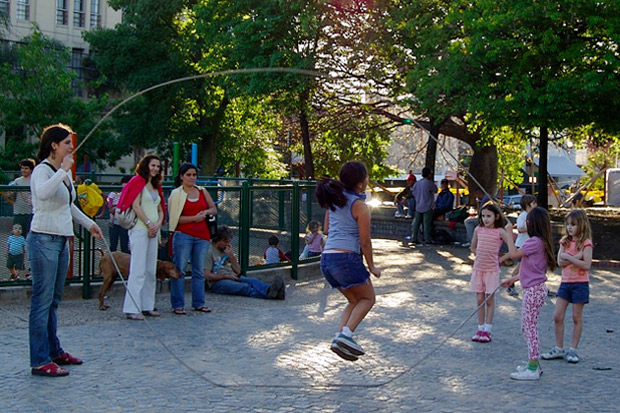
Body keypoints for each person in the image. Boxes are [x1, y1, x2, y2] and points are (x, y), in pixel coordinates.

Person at [28, 123, 103, 377]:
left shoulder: (63, 173)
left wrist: (90, 224)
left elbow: (68, 205)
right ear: (54, 146)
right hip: (43, 240)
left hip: (62, 241)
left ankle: (54, 351)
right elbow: (43, 194)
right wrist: (62, 172)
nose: (71, 147)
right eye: (67, 143)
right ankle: (39, 360)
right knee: (42, 301)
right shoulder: (42, 171)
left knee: (54, 301)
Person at [316, 161, 381, 362]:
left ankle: (339, 337)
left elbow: (326, 229)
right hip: (346, 258)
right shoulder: (360, 206)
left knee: (354, 300)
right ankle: (346, 335)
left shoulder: (334, 201)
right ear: (361, 184)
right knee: (368, 298)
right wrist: (372, 266)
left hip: (327, 259)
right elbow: (365, 241)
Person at [501, 207, 556, 380]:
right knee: (527, 327)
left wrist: (509, 233)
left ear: (534, 223)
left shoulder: (534, 242)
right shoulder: (540, 242)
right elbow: (532, 270)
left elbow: (514, 254)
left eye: (528, 221)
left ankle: (533, 368)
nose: (526, 223)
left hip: (533, 291)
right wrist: (514, 279)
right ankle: (534, 364)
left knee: (530, 329)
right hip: (535, 289)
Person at [117, 154, 166, 321]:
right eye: (153, 165)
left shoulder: (155, 185)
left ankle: (147, 304)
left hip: (153, 230)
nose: (155, 169)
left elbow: (160, 209)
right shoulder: (138, 182)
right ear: (146, 165)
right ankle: (132, 307)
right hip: (140, 228)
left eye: (158, 166)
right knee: (138, 269)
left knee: (150, 269)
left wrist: (157, 224)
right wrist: (148, 223)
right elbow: (135, 205)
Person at [541, 209, 593, 364]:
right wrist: (576, 257)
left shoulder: (586, 243)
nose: (569, 228)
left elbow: (586, 264)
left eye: (573, 225)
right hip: (565, 283)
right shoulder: (565, 242)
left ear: (581, 225)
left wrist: (570, 257)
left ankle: (573, 349)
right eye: (568, 224)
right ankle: (558, 347)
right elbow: (560, 261)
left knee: (576, 317)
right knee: (557, 316)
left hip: (580, 284)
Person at [168, 163, 217, 315]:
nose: (191, 178)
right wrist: (193, 218)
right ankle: (178, 304)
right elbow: (174, 219)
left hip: (202, 236)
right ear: (182, 176)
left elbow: (214, 209)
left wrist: (206, 212)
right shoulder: (176, 194)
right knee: (180, 269)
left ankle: (199, 302)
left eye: (194, 175)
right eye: (188, 175)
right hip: (184, 234)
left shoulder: (202, 191)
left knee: (198, 271)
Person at [470, 202, 513, 343]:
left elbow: (512, 248)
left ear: (496, 216)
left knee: (489, 300)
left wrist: (501, 259)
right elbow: (473, 247)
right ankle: (480, 327)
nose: (485, 219)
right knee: (480, 300)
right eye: (483, 216)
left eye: (489, 216)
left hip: (492, 271)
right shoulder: (478, 229)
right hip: (478, 269)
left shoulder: (500, 231)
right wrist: (480, 255)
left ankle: (488, 330)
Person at [205, 226, 285, 299]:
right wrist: (225, 276)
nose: (227, 244)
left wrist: (232, 257)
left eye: (229, 242)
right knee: (244, 287)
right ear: (217, 240)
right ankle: (271, 295)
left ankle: (270, 290)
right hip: (218, 282)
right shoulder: (209, 252)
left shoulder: (226, 251)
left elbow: (238, 271)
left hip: (232, 277)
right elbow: (207, 276)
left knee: (253, 281)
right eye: (225, 242)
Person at [505, 194, 537, 297]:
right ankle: (510, 285)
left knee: (534, 266)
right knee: (520, 267)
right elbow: (519, 229)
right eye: (533, 203)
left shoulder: (533, 215)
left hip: (531, 245)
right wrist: (533, 228)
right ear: (528, 205)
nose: (536, 205)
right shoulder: (523, 216)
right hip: (522, 245)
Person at [408, 167, 437, 245]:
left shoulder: (417, 183)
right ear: (428, 174)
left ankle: (414, 237)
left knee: (416, 223)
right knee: (426, 224)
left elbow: (413, 193)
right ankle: (427, 239)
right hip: (427, 206)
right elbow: (435, 190)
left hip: (418, 205)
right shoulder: (429, 183)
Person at [9, 158, 36, 235]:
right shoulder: (17, 181)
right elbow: (10, 196)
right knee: (17, 236)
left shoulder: (34, 181)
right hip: (18, 212)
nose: (23, 170)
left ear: (31, 169)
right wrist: (10, 192)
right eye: (22, 168)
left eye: (26, 168)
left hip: (31, 212)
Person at [106, 176, 131, 253]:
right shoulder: (114, 195)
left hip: (124, 223)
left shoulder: (130, 195)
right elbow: (110, 208)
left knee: (124, 246)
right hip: (114, 223)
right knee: (113, 246)